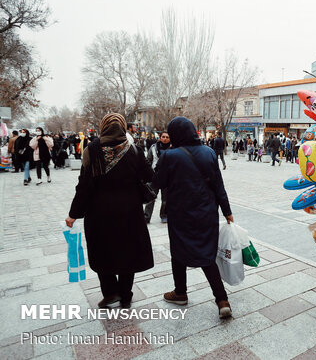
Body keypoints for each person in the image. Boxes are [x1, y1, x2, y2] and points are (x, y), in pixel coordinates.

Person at [66, 113, 154, 309]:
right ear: (123, 127)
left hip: (99, 212)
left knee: (102, 251)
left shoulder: (92, 150)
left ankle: (110, 293)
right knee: (127, 251)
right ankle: (125, 295)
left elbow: (84, 186)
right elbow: (149, 175)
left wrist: (73, 214)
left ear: (103, 126)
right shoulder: (134, 150)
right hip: (129, 211)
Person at [153, 116, 233, 319]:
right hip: (206, 213)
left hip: (180, 214)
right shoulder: (208, 152)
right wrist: (227, 211)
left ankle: (180, 292)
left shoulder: (170, 156)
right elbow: (218, 186)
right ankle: (222, 300)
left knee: (178, 251)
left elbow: (158, 182)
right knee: (207, 255)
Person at [144, 131, 171, 223]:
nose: (165, 139)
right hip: (154, 176)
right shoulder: (153, 147)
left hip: (167, 177)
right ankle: (146, 216)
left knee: (165, 199)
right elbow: (148, 161)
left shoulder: (173, 148)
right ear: (160, 137)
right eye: (163, 137)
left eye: (167, 137)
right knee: (150, 197)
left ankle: (164, 215)